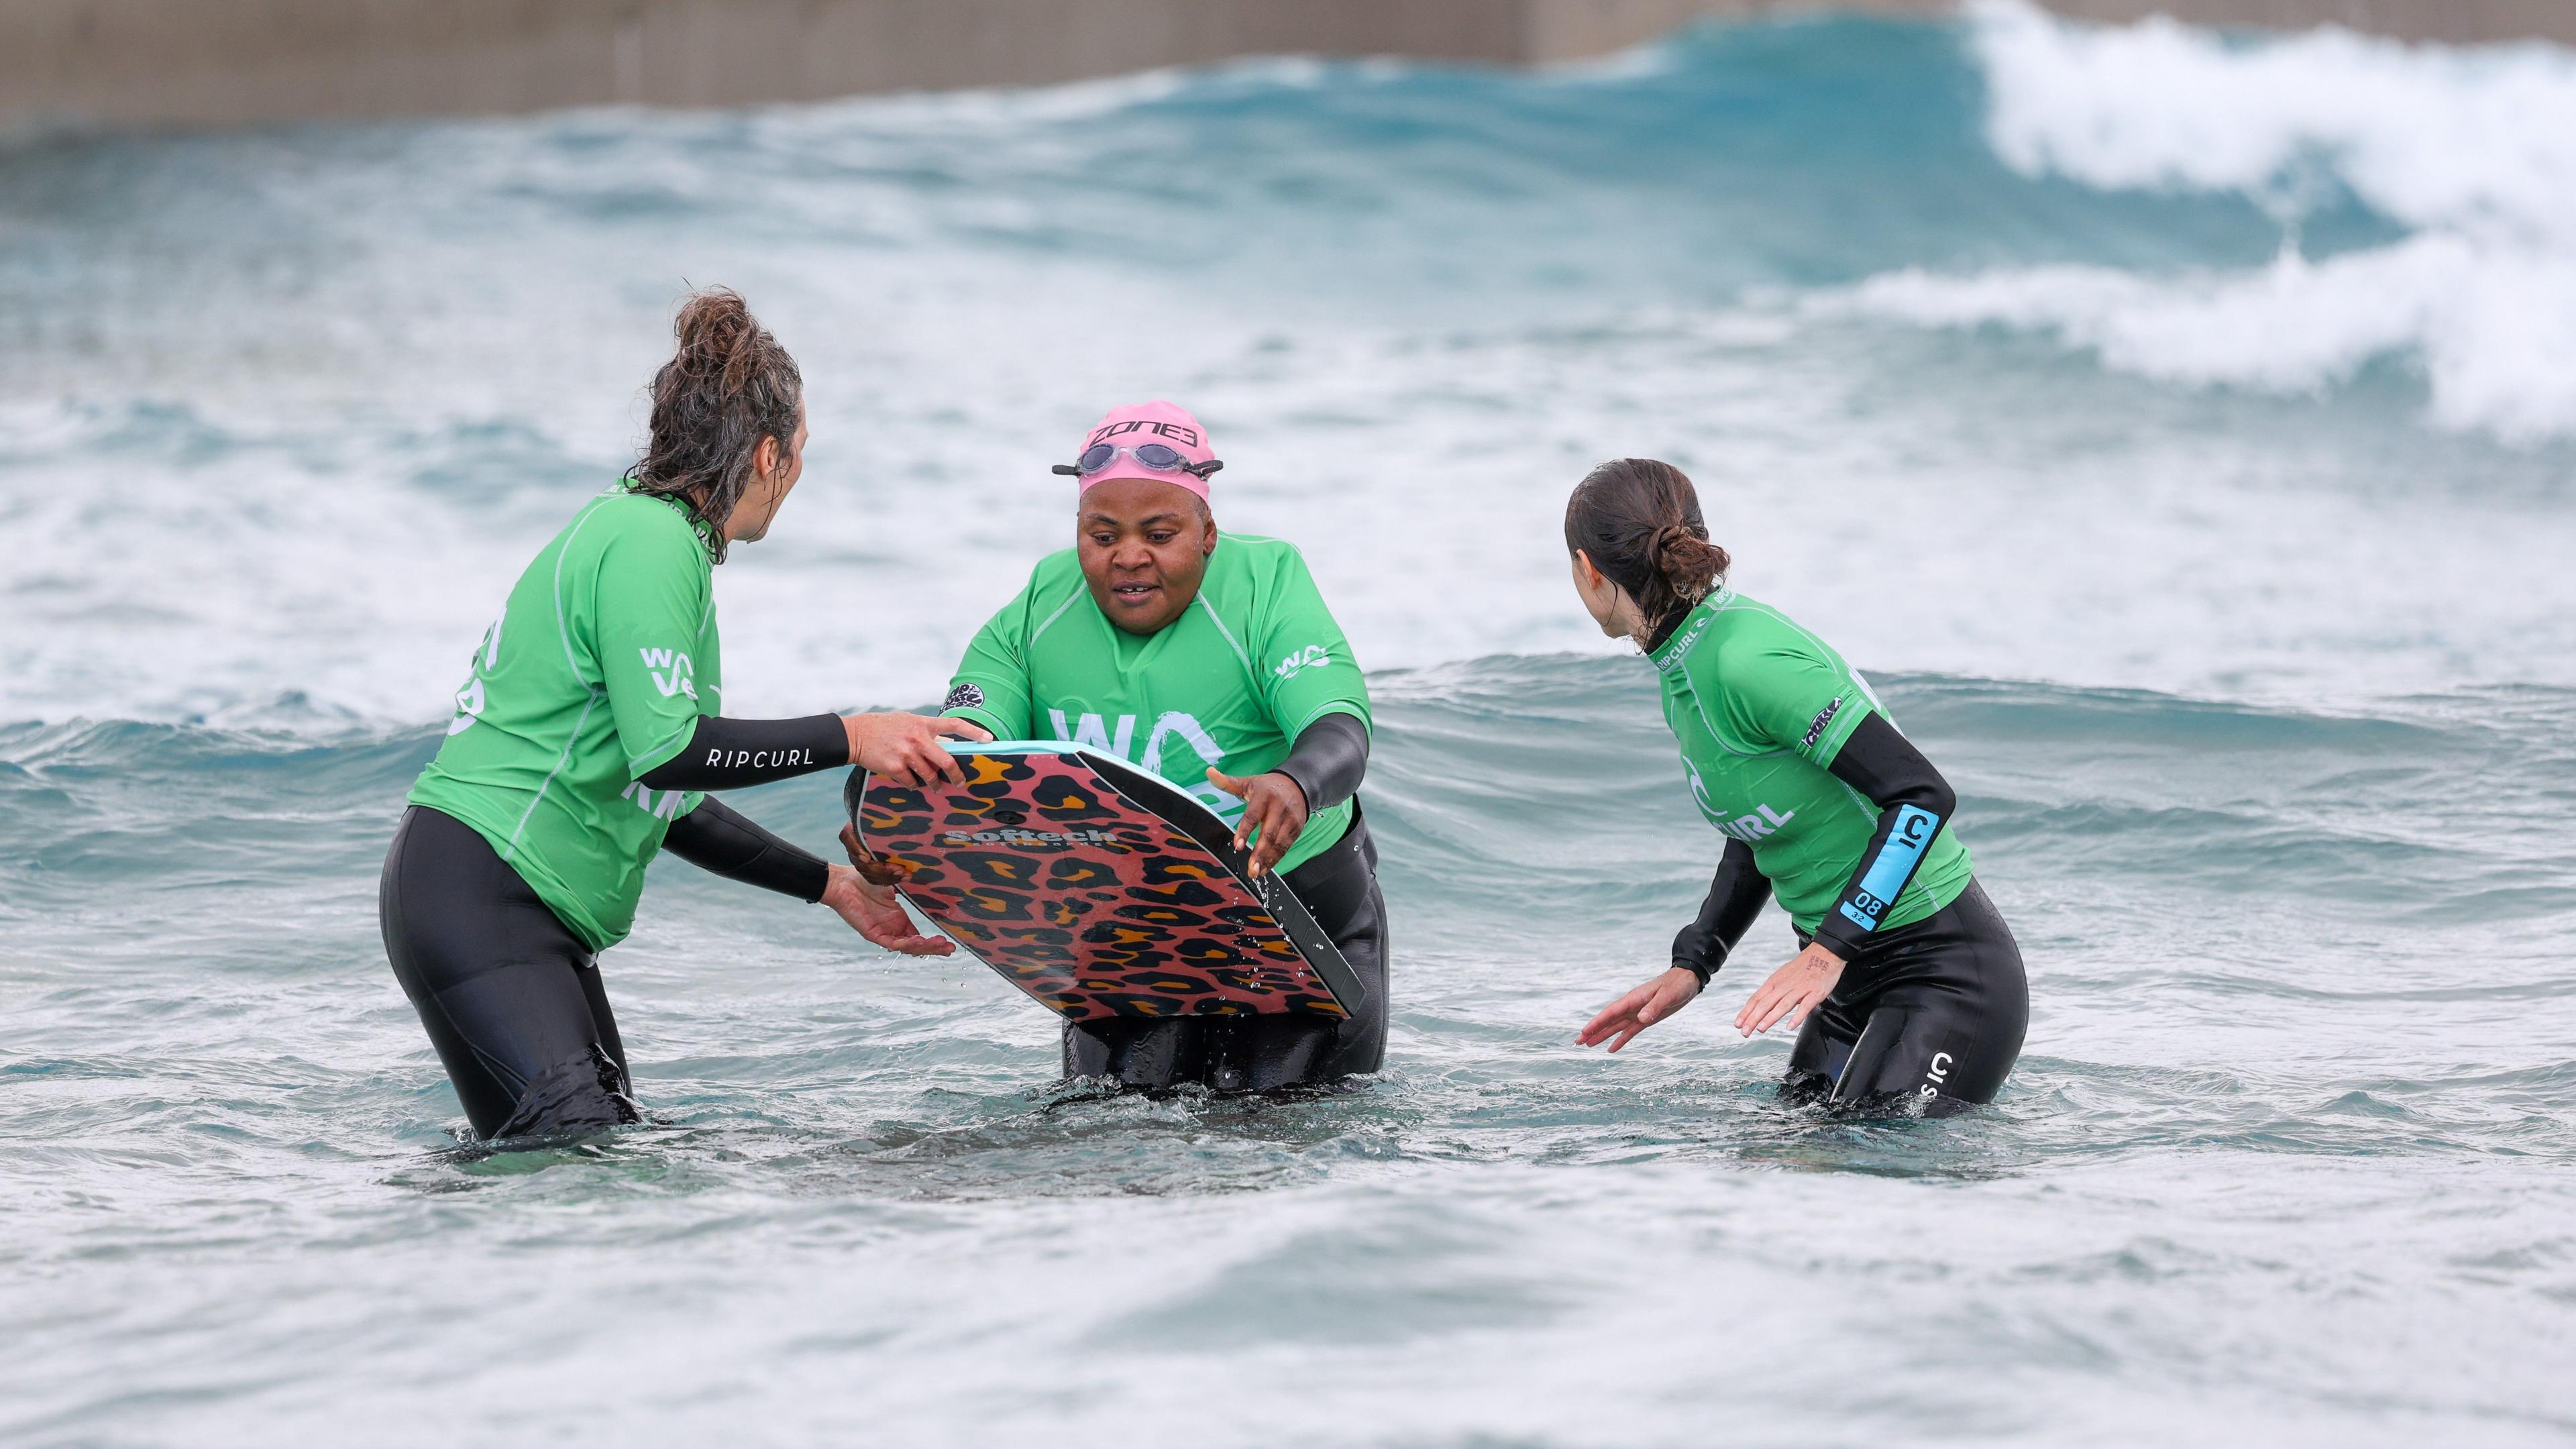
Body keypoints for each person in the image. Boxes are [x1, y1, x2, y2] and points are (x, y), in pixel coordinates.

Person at [380, 288, 988, 1141]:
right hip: (487, 894)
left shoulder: (653, 536)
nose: (800, 474)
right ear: (770, 455)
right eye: (803, 451)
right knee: (580, 1163)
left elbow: (665, 797)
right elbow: (672, 754)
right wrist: (852, 734)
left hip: (506, 906)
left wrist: (830, 886)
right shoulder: (648, 542)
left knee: (596, 1163)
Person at [936, 401, 1386, 1091]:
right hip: (1133, 948)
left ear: (1207, 532)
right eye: (1102, 533)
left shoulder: (1265, 586)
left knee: (1279, 1134)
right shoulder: (1041, 604)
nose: (1128, 556)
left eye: (1160, 532)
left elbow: (1339, 726)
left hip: (1300, 936)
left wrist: (1296, 783)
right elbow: (968, 744)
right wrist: (912, 838)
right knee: (1103, 1135)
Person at [1567, 459, 2026, 1115]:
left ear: (1589, 571)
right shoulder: (1685, 666)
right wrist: (1695, 963)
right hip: (1845, 981)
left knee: (1860, 1171)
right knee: (1781, 1166)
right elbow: (1761, 827)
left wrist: (1828, 949)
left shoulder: (1745, 659)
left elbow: (1921, 796)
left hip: (1942, 977)